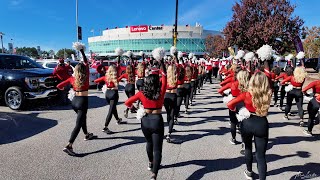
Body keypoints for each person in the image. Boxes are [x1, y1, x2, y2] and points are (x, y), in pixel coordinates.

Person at [125, 57, 167, 180]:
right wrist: (162, 63)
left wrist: (133, 109)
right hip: (157, 120)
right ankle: (154, 174)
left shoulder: (141, 93)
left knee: (149, 143)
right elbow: (164, 78)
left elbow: (127, 102)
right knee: (158, 148)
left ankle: (150, 163)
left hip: (145, 120)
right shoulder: (161, 91)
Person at [227, 72, 271, 180]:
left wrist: (237, 111)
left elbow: (230, 104)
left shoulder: (246, 94)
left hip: (248, 122)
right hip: (262, 123)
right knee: (261, 156)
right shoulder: (268, 93)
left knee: (247, 148)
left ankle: (249, 171)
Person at [57, 44, 95, 156]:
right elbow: (86, 62)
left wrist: (64, 88)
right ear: (84, 70)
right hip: (83, 101)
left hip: (74, 101)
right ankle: (69, 145)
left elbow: (59, 86)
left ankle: (87, 134)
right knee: (78, 123)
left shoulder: (72, 78)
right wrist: (82, 51)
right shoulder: (86, 75)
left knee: (82, 118)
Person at [218, 69, 250, 144]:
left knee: (233, 122)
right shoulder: (249, 85)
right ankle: (244, 141)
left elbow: (219, 90)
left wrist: (225, 95)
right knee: (243, 122)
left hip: (233, 102)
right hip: (244, 104)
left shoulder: (233, 84)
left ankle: (233, 138)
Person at [94, 65, 122, 134]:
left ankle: (118, 119)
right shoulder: (116, 77)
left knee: (113, 108)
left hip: (107, 94)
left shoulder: (105, 77)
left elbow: (96, 81)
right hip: (114, 93)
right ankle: (105, 127)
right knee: (111, 110)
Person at [164, 64, 178, 142]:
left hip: (166, 96)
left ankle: (169, 127)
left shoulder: (165, 78)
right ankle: (169, 131)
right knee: (172, 114)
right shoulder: (176, 77)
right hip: (173, 95)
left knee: (168, 113)